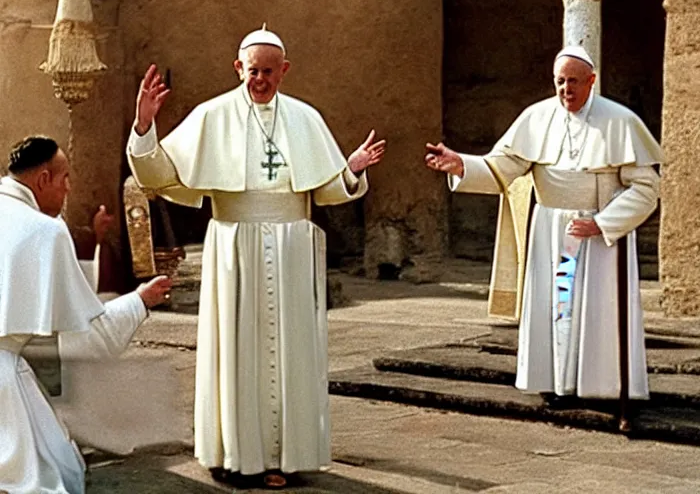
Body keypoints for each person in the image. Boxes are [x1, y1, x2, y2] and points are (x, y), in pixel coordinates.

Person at [126, 25, 385, 487]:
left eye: (269, 71)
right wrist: (145, 127)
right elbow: (161, 175)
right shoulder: (212, 115)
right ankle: (233, 454)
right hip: (234, 244)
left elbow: (324, 188)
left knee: (291, 350)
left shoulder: (306, 118)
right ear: (237, 68)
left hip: (292, 247)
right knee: (235, 346)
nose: (260, 80)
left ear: (284, 70)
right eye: (252, 71)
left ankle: (285, 456)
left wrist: (351, 169)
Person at [425, 46, 662, 403]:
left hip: (599, 238)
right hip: (553, 233)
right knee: (557, 307)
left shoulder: (620, 121)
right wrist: (461, 165)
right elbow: (501, 169)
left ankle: (603, 387)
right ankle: (557, 383)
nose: (566, 89)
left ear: (592, 81)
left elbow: (646, 188)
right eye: (560, 82)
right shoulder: (535, 118)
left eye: (574, 82)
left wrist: (603, 223)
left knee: (597, 310)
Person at [0, 136, 172, 494]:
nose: (68, 188)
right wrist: (140, 300)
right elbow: (91, 333)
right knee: (47, 476)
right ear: (44, 179)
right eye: (64, 178)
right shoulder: (46, 230)